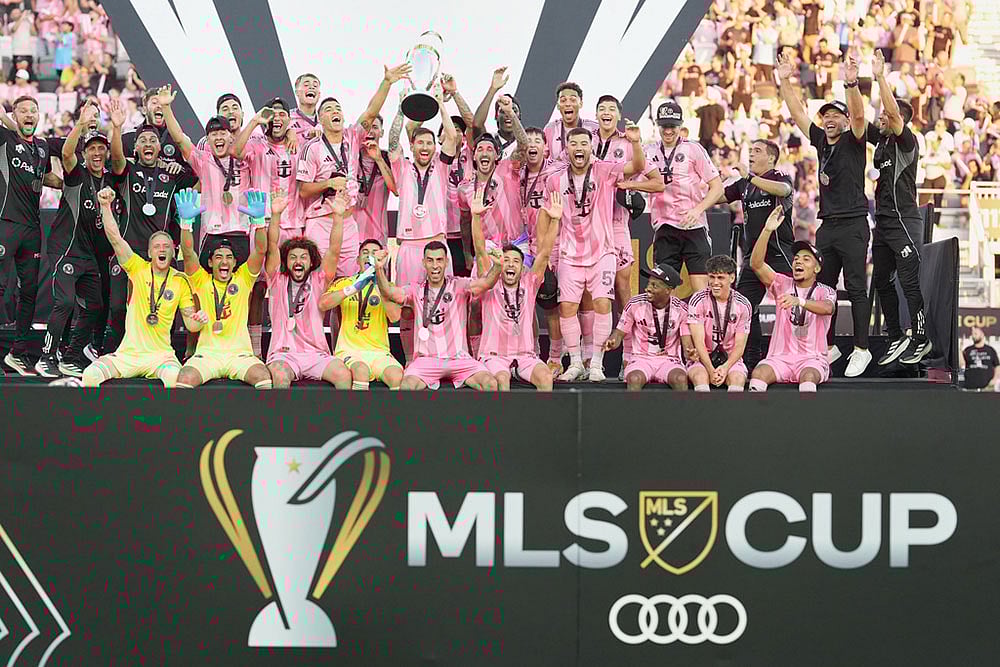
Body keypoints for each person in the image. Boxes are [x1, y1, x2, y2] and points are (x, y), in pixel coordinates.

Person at [778, 49, 873, 377]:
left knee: (857, 287)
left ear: (845, 121)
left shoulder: (854, 139)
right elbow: (797, 114)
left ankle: (862, 349)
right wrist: (785, 79)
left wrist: (851, 83)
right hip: (828, 224)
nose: (829, 120)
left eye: (836, 116)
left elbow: (860, 117)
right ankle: (829, 345)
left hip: (854, 222)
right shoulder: (821, 140)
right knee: (825, 287)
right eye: (826, 115)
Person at [547, 122, 646, 382]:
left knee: (603, 303)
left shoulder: (605, 171)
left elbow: (636, 168)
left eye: (583, 144)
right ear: (566, 149)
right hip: (569, 253)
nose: (578, 148)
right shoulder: (554, 179)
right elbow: (551, 219)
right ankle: (576, 363)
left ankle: (597, 364)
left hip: (602, 251)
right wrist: (552, 253)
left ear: (591, 148)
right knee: (567, 307)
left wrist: (635, 142)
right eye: (573, 143)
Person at [82, 188, 207, 387]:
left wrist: (199, 321)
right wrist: (105, 206)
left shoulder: (180, 280)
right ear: (149, 252)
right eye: (157, 246)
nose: (162, 249)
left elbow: (191, 325)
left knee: (176, 380)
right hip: (128, 355)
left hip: (161, 357)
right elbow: (115, 238)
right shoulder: (137, 268)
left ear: (173, 253)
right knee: (90, 376)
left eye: (166, 246)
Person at [297, 63, 410, 277]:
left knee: (351, 283)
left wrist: (386, 83)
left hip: (348, 223)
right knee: (320, 280)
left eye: (338, 108)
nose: (335, 112)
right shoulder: (311, 148)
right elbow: (303, 190)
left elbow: (370, 112)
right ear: (320, 120)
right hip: (321, 222)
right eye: (328, 110)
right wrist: (328, 184)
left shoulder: (351, 137)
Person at [107, 105, 197, 355]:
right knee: (118, 307)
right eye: (142, 140)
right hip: (129, 252)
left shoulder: (172, 175)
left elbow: (200, 175)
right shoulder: (127, 171)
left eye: (153, 140)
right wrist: (116, 127)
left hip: (160, 254)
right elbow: (115, 159)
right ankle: (117, 354)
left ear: (160, 148)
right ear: (135, 148)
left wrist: (182, 168)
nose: (148, 144)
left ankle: (160, 354)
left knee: (161, 307)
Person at [36, 109, 114, 377]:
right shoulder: (75, 173)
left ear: (105, 153)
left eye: (100, 148)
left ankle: (71, 357)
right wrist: (81, 124)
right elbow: (66, 153)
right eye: (91, 148)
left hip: (88, 253)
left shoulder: (107, 179)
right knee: (65, 304)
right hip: (65, 248)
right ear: (85, 153)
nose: (96, 152)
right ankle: (46, 357)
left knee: (95, 305)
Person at [386, 90, 460, 362]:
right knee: (406, 308)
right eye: (420, 143)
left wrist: (441, 103)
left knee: (441, 302)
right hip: (408, 248)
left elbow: (452, 137)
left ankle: (443, 357)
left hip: (437, 244)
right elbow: (393, 141)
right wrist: (398, 110)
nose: (425, 147)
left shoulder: (441, 167)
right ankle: (409, 359)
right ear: (413, 145)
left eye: (430, 143)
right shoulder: (402, 167)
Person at [594, 94, 665, 375]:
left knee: (624, 290)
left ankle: (631, 356)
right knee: (591, 294)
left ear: (619, 114)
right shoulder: (585, 139)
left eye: (612, 109)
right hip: (586, 225)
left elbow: (657, 182)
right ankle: (590, 359)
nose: (606, 113)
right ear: (596, 114)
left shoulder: (628, 144)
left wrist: (627, 186)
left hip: (615, 223)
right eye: (602, 109)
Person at [174, 189, 272, 389]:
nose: (224, 261)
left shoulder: (243, 278)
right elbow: (188, 252)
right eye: (218, 257)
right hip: (208, 354)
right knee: (184, 379)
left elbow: (261, 250)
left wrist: (260, 223)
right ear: (210, 262)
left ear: (235, 262)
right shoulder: (201, 280)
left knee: (264, 378)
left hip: (239, 354)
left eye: (228, 257)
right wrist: (185, 225)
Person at [869, 50, 930, 367]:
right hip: (882, 223)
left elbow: (893, 116)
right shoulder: (880, 142)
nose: (879, 119)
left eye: (884, 117)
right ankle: (895, 336)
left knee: (908, 283)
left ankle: (921, 337)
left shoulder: (907, 141)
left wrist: (880, 77)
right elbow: (854, 122)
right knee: (880, 280)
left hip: (905, 221)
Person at [373, 241, 500, 391]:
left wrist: (497, 266)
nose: (435, 266)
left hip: (459, 359)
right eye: (430, 260)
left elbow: (486, 283)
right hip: (427, 360)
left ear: (446, 262)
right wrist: (379, 269)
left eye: (439, 260)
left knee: (490, 383)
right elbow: (389, 292)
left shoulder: (459, 285)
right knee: (407, 386)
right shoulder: (415, 289)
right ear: (424, 263)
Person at [470, 188, 561, 391]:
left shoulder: (529, 283)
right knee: (502, 380)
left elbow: (544, 253)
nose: (510, 265)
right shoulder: (490, 284)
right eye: (507, 260)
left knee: (546, 378)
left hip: (525, 356)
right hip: (495, 355)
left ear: (522, 268)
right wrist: (476, 217)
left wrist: (555, 220)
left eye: (516, 262)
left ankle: (542, 423)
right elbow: (479, 249)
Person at [262, 190, 352, 389]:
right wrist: (275, 215)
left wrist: (338, 217)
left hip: (316, 354)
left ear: (312, 262)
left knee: (343, 375)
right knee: (279, 377)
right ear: (286, 261)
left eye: (303, 257)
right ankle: (283, 421)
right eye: (293, 257)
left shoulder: (319, 279)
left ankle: (341, 421)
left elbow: (334, 250)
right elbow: (272, 246)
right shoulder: (277, 279)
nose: (298, 262)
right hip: (283, 353)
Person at [0, 96, 61, 376]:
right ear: (14, 115)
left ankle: (18, 352)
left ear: (39, 117)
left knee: (29, 293)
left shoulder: (41, 148)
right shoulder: (5, 138)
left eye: (33, 111)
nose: (29, 114)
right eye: (22, 111)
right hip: (6, 224)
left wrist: (67, 182)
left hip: (32, 229)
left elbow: (49, 178)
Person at [721, 139, 794, 370]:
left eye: (757, 151)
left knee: (790, 308)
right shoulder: (743, 184)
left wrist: (750, 177)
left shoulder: (778, 176)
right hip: (753, 256)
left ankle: (791, 357)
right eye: (750, 150)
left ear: (771, 158)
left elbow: (784, 191)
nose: (751, 154)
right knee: (743, 307)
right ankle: (752, 360)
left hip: (779, 252)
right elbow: (720, 195)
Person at [749, 206, 836, 391]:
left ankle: (805, 419)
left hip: (812, 359)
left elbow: (828, 308)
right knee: (758, 375)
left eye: (806, 259)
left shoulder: (824, 291)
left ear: (817, 269)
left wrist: (800, 301)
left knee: (809, 377)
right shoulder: (782, 283)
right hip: (779, 357)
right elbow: (756, 264)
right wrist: (767, 230)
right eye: (796, 258)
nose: (798, 261)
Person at [645, 100, 724, 295]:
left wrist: (698, 209)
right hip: (664, 227)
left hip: (693, 227)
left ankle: (704, 326)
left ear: (680, 126)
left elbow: (717, 186)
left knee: (701, 292)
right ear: (658, 125)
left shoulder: (693, 149)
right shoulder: (649, 151)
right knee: (663, 293)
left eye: (672, 126)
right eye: (664, 126)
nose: (668, 131)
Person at [320, 238, 404, 390]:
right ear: (358, 259)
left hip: (379, 352)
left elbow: (395, 316)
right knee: (361, 372)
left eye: (374, 253)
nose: (369, 256)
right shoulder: (344, 282)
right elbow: (323, 304)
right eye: (365, 253)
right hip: (350, 351)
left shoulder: (389, 287)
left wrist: (379, 281)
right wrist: (353, 288)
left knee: (397, 376)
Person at [604, 262, 691, 392]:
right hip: (641, 358)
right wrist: (612, 341)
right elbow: (619, 333)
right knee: (634, 379)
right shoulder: (634, 304)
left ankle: (680, 412)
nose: (647, 288)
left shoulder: (682, 310)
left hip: (669, 360)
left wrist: (690, 352)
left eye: (654, 285)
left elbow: (687, 343)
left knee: (680, 379)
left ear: (668, 290)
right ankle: (635, 412)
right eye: (649, 283)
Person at [519, 126, 564, 374]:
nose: (532, 144)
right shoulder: (518, 173)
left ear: (546, 147)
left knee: (552, 306)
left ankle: (555, 358)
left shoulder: (555, 171)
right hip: (526, 247)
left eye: (538, 140)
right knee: (525, 303)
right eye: (528, 140)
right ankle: (532, 352)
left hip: (553, 246)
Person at [686, 255, 752, 392]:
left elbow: (740, 346)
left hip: (730, 359)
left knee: (738, 379)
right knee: (699, 377)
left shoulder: (743, 304)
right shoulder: (697, 300)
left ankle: (733, 413)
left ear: (732, 278)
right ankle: (702, 412)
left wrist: (725, 367)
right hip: (702, 358)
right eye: (712, 277)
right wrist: (710, 370)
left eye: (720, 278)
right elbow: (698, 342)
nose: (715, 282)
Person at [472, 66, 528, 160]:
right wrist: (492, 89)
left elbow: (524, 145)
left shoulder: (524, 141)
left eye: (513, 110)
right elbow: (477, 125)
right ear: (496, 116)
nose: (508, 114)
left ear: (519, 116)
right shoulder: (489, 139)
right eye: (503, 111)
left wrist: (510, 112)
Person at [543, 82, 600, 162]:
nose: (568, 104)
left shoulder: (595, 128)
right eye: (563, 100)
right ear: (558, 106)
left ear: (581, 104)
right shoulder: (550, 129)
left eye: (573, 100)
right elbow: (541, 160)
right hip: (558, 174)